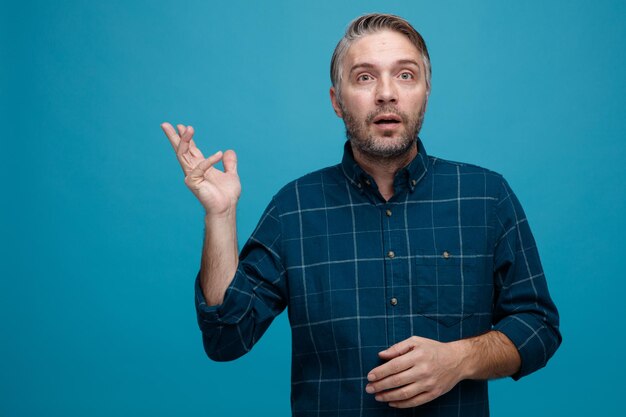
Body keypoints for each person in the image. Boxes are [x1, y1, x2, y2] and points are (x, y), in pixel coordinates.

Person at [161, 13, 561, 417]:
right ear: (337, 101)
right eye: (365, 77)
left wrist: (460, 359)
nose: (387, 93)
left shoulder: (485, 197)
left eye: (405, 76)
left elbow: (538, 326)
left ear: (425, 92)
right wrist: (221, 215)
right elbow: (225, 338)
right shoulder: (294, 208)